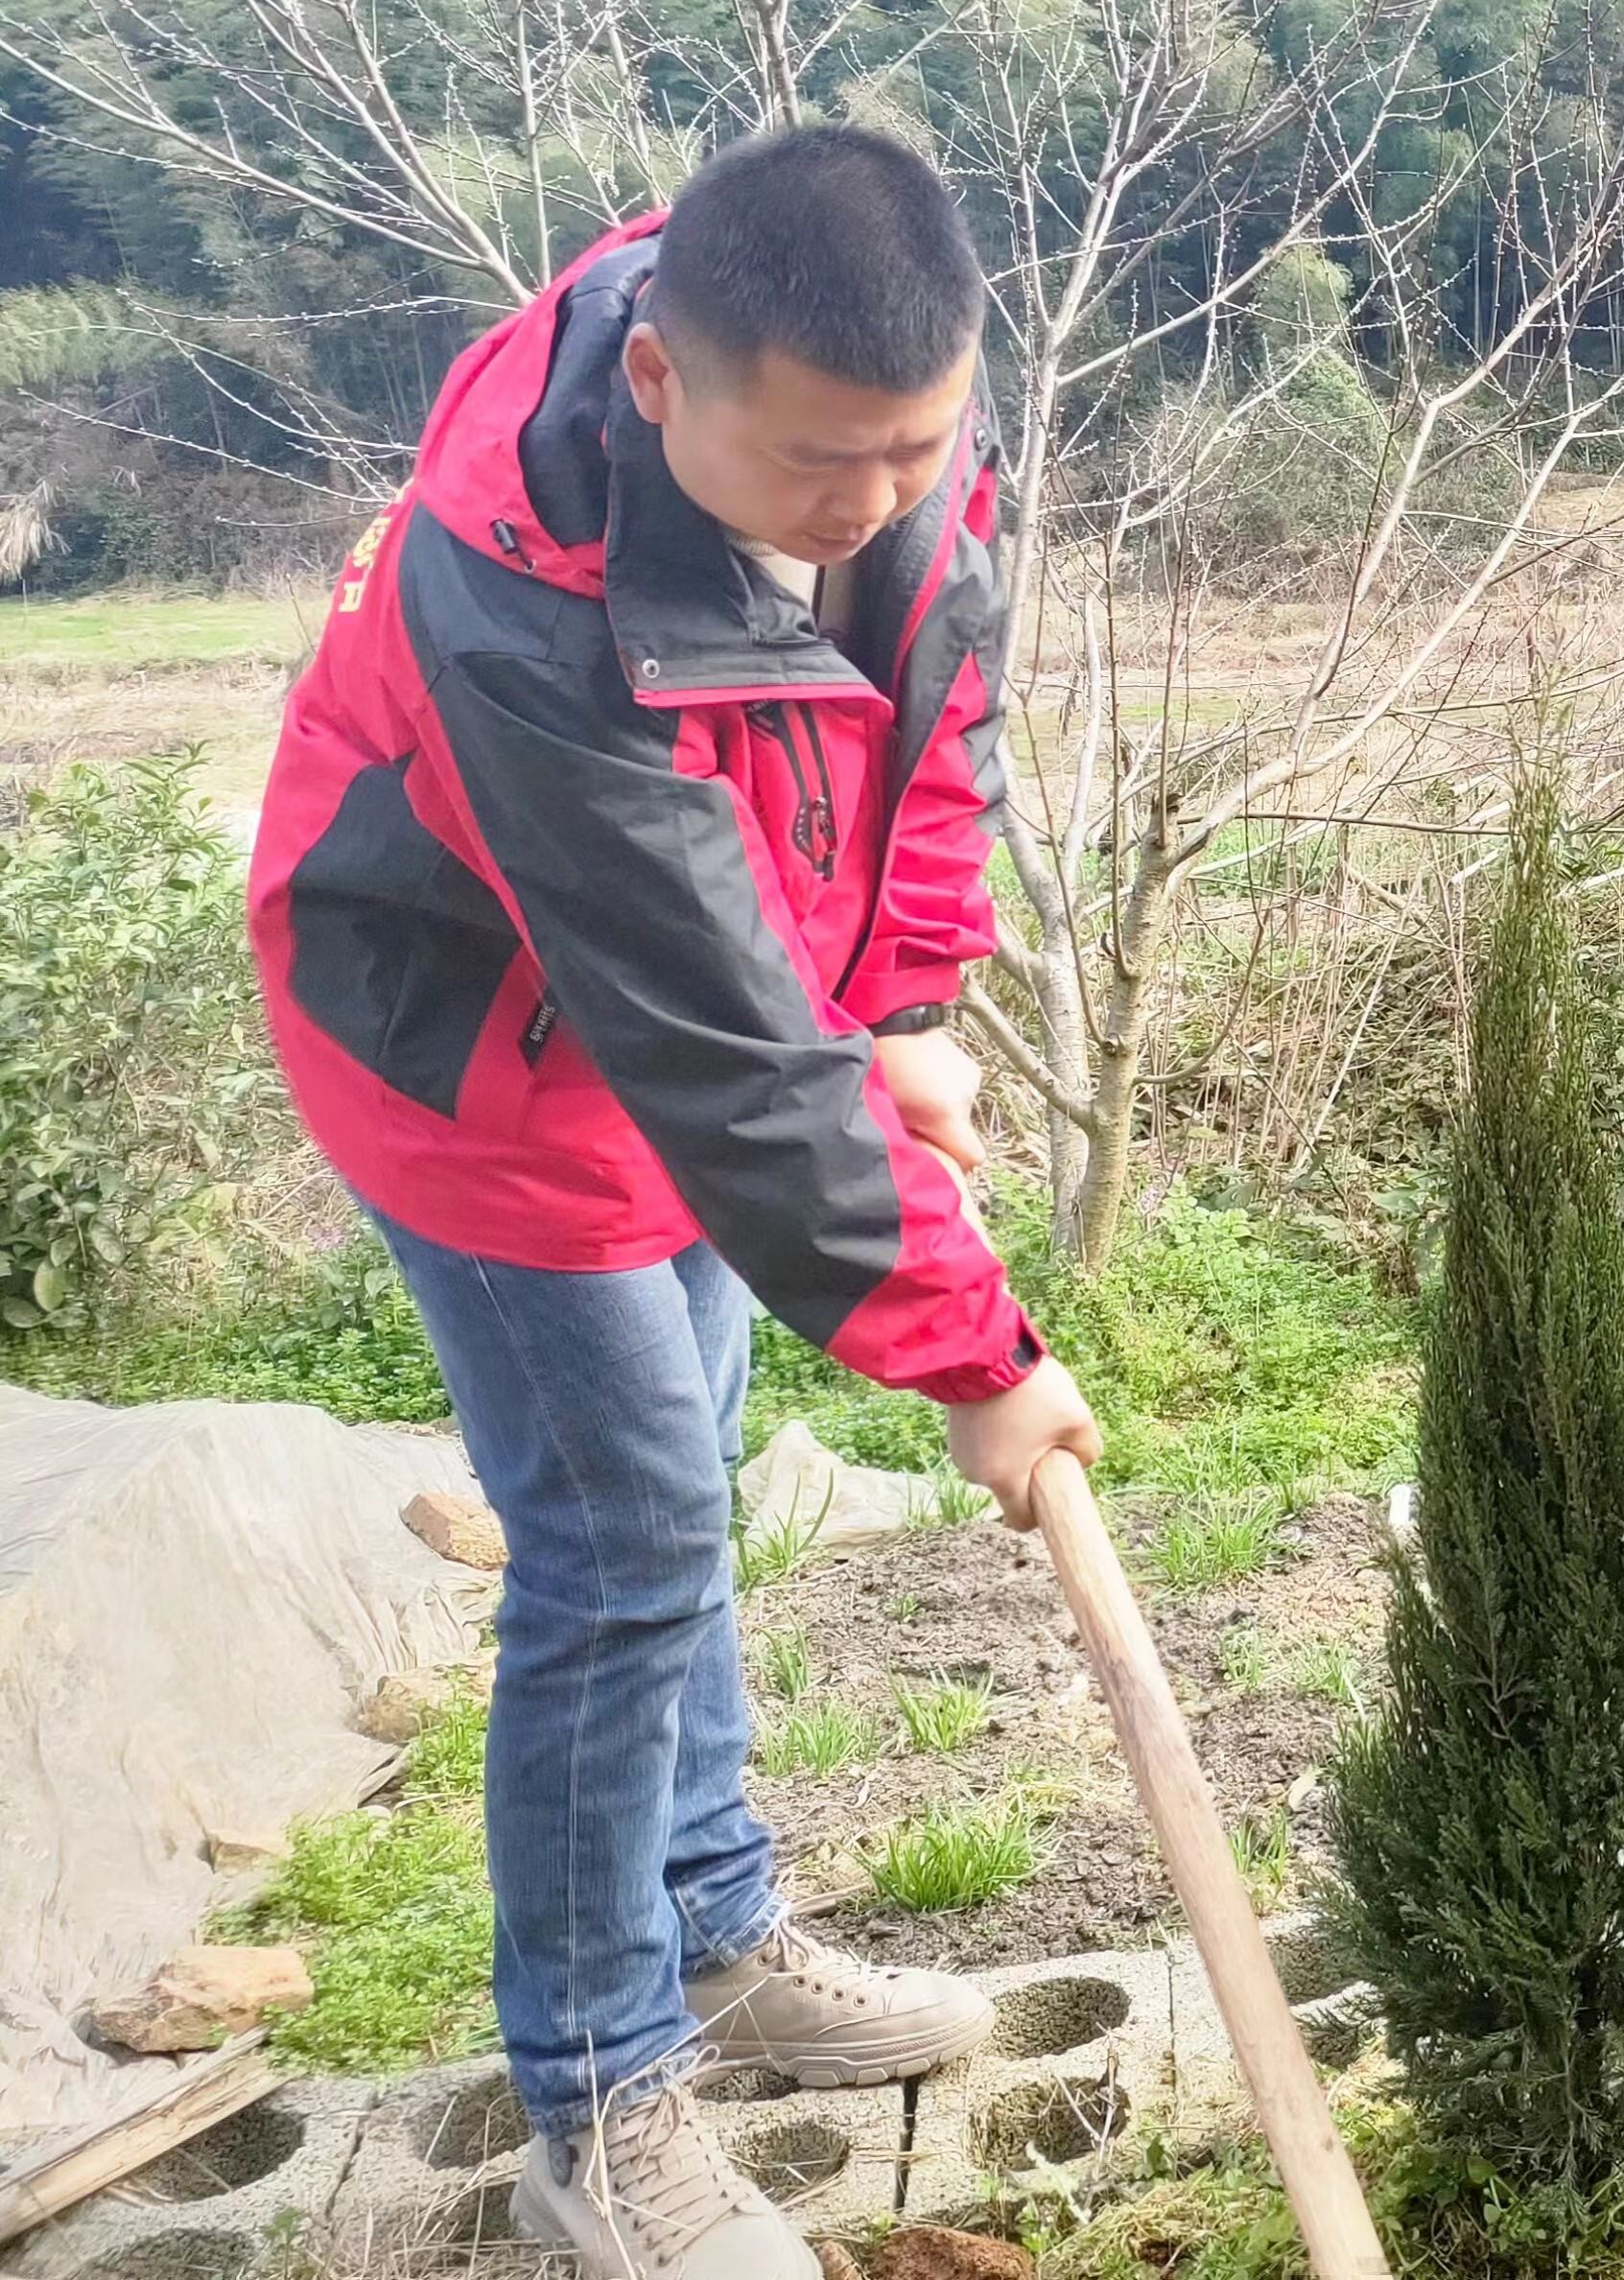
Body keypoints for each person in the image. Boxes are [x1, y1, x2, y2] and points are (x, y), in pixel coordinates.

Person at [253, 129, 1100, 2280]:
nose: (878, 497)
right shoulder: (519, 585)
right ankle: (598, 2099)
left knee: (686, 1484)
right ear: (661, 386)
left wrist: (903, 999)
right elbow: (712, 1047)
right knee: (622, 1547)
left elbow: (935, 711)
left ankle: (717, 1935)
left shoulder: (875, 408)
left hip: (712, 1009)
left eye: (920, 446)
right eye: (828, 461)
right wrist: (975, 1364)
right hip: (481, 1066)